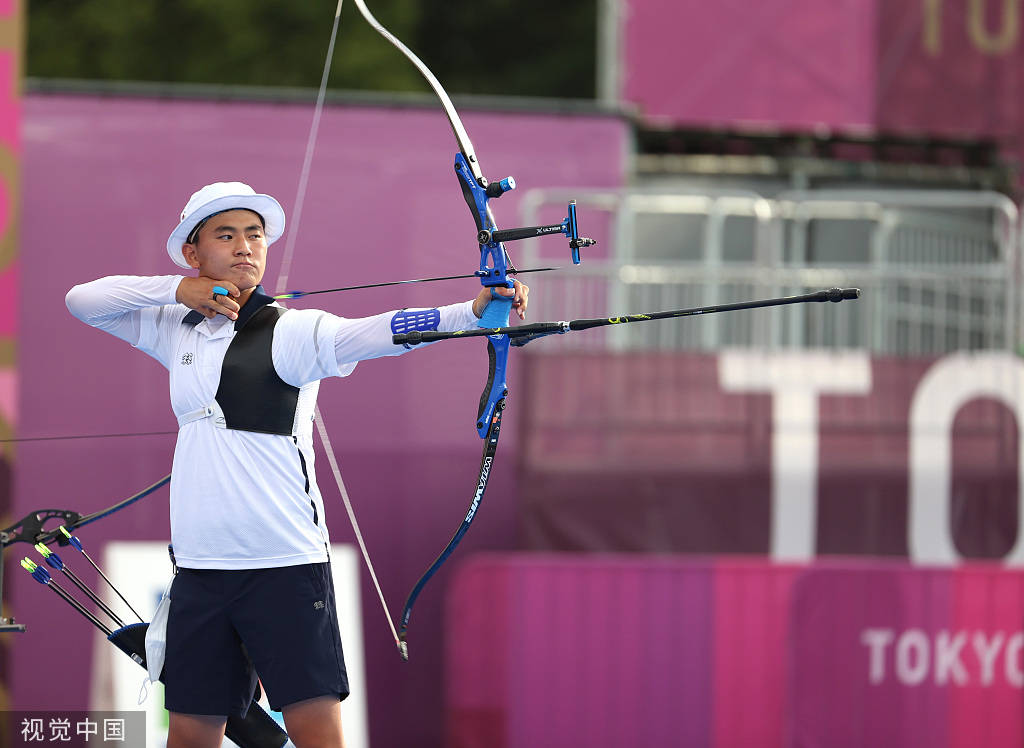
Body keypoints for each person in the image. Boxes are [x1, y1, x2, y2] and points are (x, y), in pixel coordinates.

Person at [65, 181, 528, 748]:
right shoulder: (173, 328)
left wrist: (473, 312)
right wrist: (179, 290)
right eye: (226, 235)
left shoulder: (292, 331)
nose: (244, 247)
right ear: (194, 253)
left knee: (314, 730)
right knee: (190, 731)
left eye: (254, 236)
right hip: (200, 568)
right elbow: (83, 300)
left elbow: (377, 332)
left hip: (282, 565)